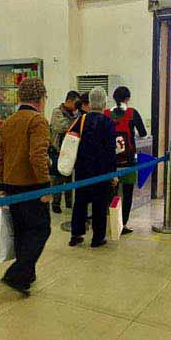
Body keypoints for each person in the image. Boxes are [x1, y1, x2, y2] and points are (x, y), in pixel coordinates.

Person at [0, 77, 51, 296]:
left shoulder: (9, 121)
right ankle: (17, 274)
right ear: (40, 99)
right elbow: (38, 155)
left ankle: (27, 273)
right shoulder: (37, 121)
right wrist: (46, 187)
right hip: (31, 185)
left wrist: (2, 184)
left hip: (11, 185)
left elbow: (1, 157)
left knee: (21, 231)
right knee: (40, 229)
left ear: (20, 98)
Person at [69, 88, 116, 248]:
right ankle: (97, 238)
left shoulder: (81, 119)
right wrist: (113, 173)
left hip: (82, 168)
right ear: (104, 102)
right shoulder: (108, 122)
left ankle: (76, 234)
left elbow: (72, 141)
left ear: (89, 101)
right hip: (101, 171)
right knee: (99, 204)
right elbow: (111, 151)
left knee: (80, 202)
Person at [104, 86, 147, 234]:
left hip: (110, 162)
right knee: (127, 194)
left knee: (111, 192)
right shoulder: (132, 113)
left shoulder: (106, 114)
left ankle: (111, 223)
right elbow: (143, 133)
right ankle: (122, 224)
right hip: (128, 161)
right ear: (127, 99)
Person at [49, 90, 80, 214]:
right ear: (68, 101)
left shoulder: (74, 114)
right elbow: (63, 127)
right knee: (58, 179)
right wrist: (76, 120)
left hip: (70, 151)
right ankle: (55, 204)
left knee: (69, 178)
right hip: (57, 151)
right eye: (75, 103)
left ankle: (69, 203)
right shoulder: (57, 112)